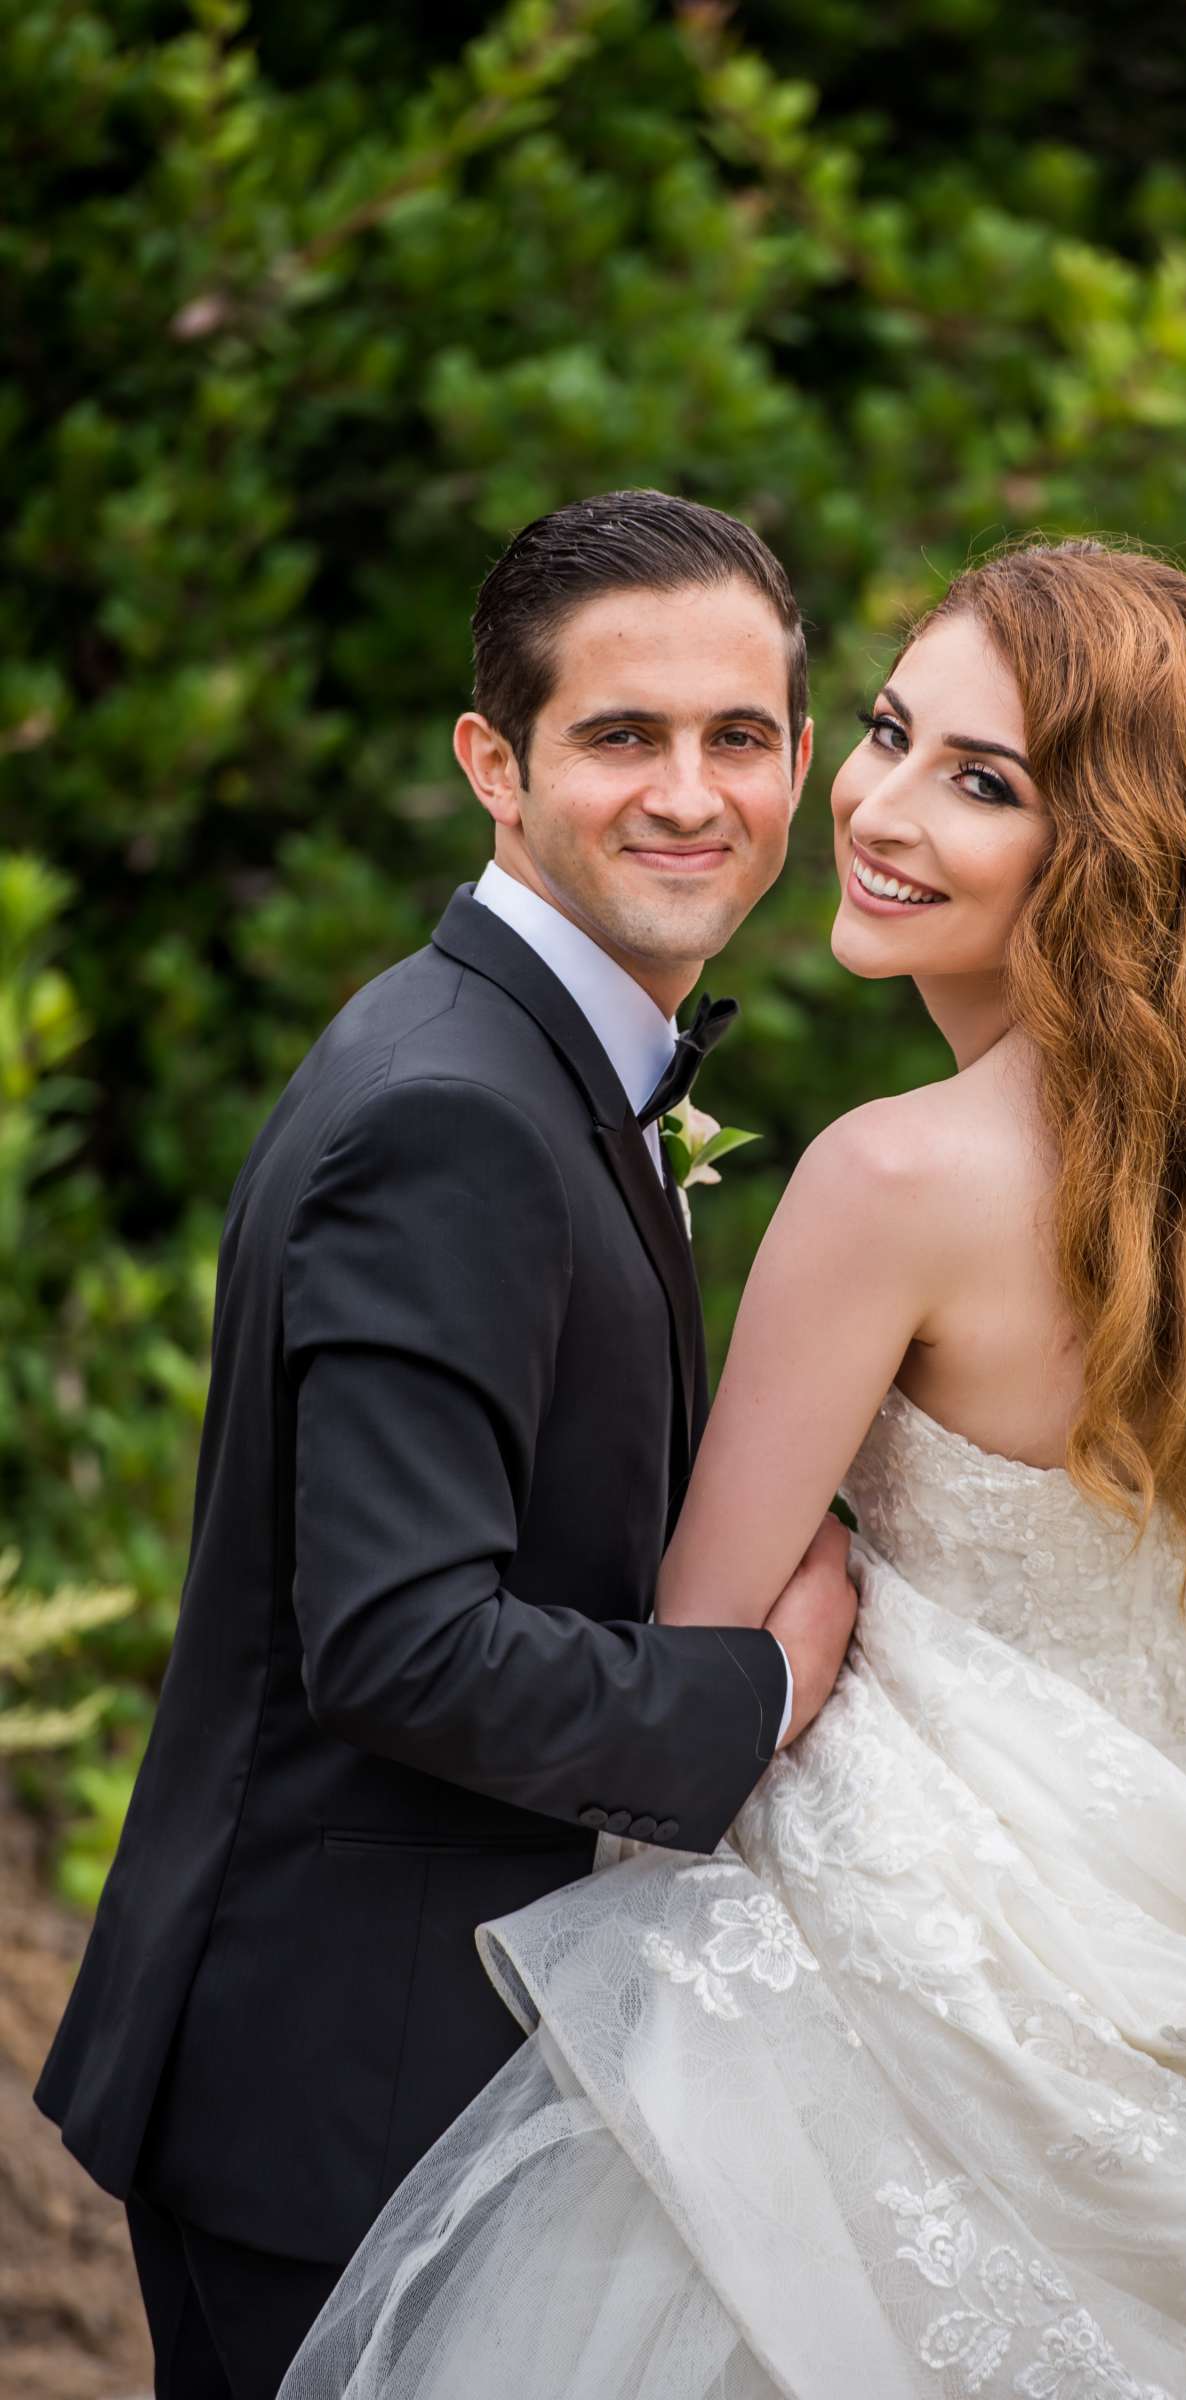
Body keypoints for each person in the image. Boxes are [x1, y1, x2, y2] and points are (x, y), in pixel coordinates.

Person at [283, 538, 1186, 2400]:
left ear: (1115, 849)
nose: (879, 810)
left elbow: (701, 1634)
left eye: (980, 783)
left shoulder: (895, 1178)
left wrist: (825, 1557)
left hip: (926, 1977)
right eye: (890, 733)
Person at [33, 490, 860, 2400]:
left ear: (801, 760)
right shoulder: (457, 1112)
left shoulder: (524, 1051)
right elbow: (405, 1642)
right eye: (620, 736)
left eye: (739, 737)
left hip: (386, 2050)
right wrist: (756, 1691)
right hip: (338, 2085)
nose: (691, 791)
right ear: (493, 761)